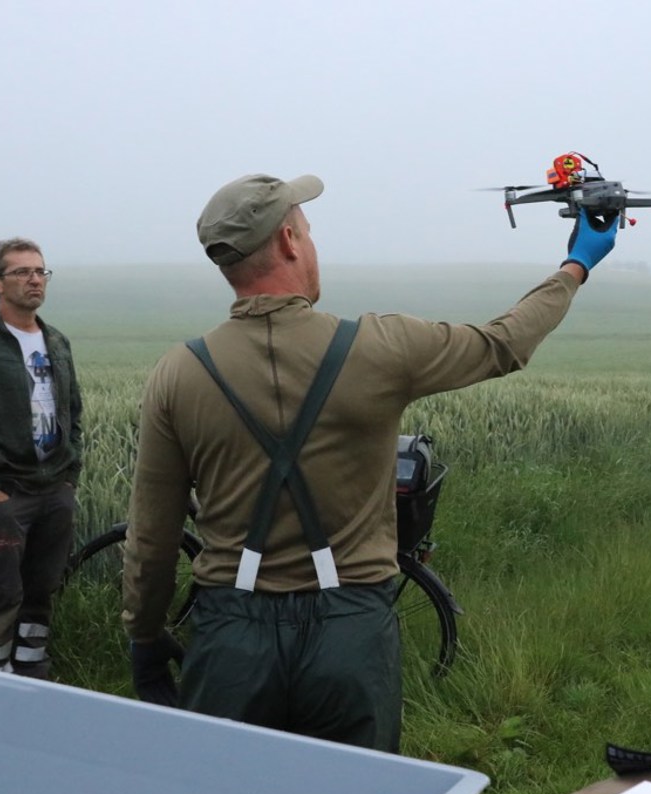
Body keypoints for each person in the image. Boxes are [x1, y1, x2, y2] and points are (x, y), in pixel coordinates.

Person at [121, 173, 618, 751]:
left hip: (231, 637)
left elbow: (153, 535)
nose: (311, 242)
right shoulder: (379, 348)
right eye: (307, 230)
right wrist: (574, 267)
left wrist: (145, 634)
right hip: (350, 633)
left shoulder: (177, 373)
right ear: (287, 241)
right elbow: (502, 343)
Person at [0, 238, 82, 678]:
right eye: (22, 272)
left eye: (40, 271)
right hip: (5, 494)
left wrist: (69, 476)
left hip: (54, 491)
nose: (35, 279)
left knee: (42, 589)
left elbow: (72, 410)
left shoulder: (56, 341)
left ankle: (33, 677)